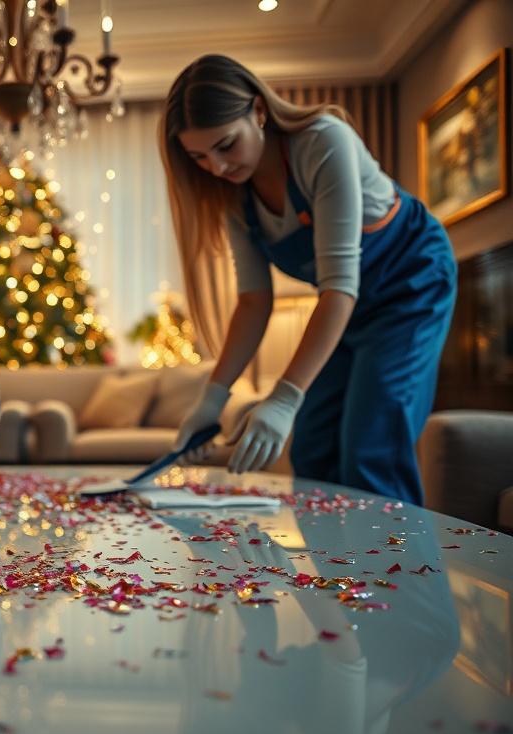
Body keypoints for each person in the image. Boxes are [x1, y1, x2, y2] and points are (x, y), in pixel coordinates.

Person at [161, 55, 456, 505]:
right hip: (343, 304)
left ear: (258, 111)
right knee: (313, 447)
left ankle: (395, 575)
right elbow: (254, 301)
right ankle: (335, 578)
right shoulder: (232, 195)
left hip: (408, 287)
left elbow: (338, 286)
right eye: (199, 157)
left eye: (225, 145)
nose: (217, 167)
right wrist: (212, 399)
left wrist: (283, 397)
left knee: (370, 449)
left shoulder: (324, 142)